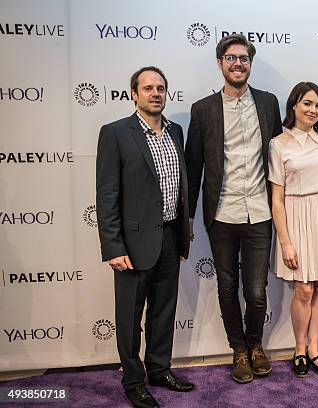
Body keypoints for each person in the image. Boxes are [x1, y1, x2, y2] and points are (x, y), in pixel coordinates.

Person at [185, 34, 282, 384]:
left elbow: (278, 158)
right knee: (227, 288)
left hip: (260, 212)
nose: (237, 63)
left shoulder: (269, 103)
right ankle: (238, 349)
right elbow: (193, 166)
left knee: (256, 291)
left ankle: (256, 344)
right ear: (220, 63)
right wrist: (190, 217)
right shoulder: (203, 109)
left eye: (243, 58)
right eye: (230, 57)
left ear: (250, 64)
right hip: (221, 215)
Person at [96, 66, 194, 408]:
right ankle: (133, 380)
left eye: (161, 88)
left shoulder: (176, 132)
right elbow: (107, 195)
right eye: (148, 88)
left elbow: (181, 189)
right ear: (134, 94)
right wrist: (113, 247)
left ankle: (159, 369)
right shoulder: (116, 133)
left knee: (163, 312)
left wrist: (183, 235)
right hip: (132, 245)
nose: (156, 93)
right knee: (129, 317)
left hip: (169, 237)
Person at [268, 82, 318, 378]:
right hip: (296, 216)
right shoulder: (279, 143)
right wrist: (285, 241)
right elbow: (276, 198)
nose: (313, 110)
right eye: (307, 103)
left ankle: (314, 349)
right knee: (304, 288)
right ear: (294, 106)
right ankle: (299, 349)